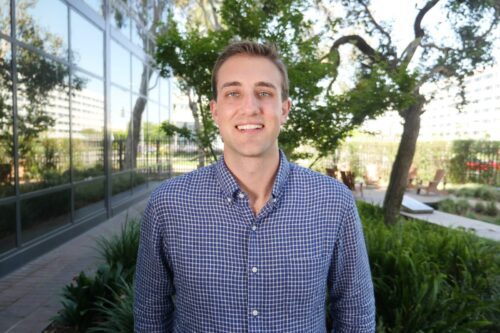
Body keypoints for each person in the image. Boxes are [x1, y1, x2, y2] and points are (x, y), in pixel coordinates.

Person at [134, 41, 375, 332]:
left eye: (264, 93)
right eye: (233, 93)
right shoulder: (168, 204)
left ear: (284, 109)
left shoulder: (334, 202)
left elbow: (355, 313)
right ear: (215, 110)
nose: (250, 107)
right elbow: (150, 314)